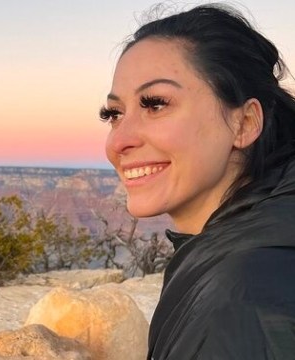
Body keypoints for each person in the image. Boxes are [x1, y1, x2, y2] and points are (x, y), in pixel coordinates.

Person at [100, 3, 295, 359]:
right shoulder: (255, 246)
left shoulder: (240, 301)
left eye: (155, 104)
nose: (118, 142)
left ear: (245, 123)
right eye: (113, 114)